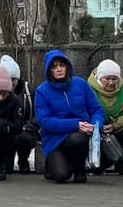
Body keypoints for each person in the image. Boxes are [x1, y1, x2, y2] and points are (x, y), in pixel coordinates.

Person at [34, 51, 102, 184]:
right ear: (49, 71)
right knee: (61, 176)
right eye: (54, 67)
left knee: (78, 138)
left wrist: (95, 125)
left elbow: (96, 110)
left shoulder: (81, 84)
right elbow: (45, 121)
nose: (59, 69)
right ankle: (54, 164)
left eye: (61, 65)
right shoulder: (42, 91)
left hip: (81, 135)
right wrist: (77, 124)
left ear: (67, 66)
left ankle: (80, 168)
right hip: (56, 140)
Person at [88, 60, 123, 175]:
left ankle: (122, 163)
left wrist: (115, 125)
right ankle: (98, 164)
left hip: (118, 126)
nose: (111, 82)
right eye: (107, 79)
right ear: (99, 78)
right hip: (95, 127)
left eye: (114, 78)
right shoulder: (89, 89)